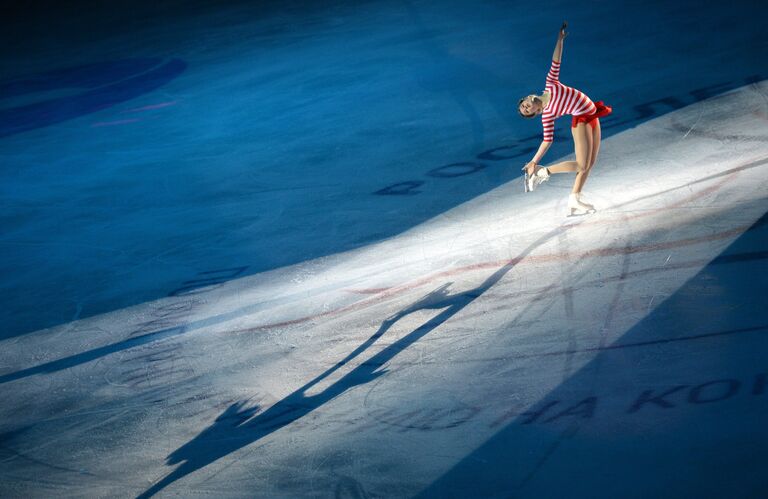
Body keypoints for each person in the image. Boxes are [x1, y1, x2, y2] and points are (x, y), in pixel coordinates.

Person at [518, 22, 612, 216]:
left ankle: (574, 198)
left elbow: (556, 61)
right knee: (582, 164)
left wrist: (559, 40)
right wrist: (534, 161)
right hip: (581, 122)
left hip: (593, 114)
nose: (527, 106)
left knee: (590, 163)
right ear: (535, 113)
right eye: (527, 110)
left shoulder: (550, 83)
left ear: (529, 96)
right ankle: (543, 173)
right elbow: (547, 141)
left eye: (525, 104)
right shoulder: (548, 115)